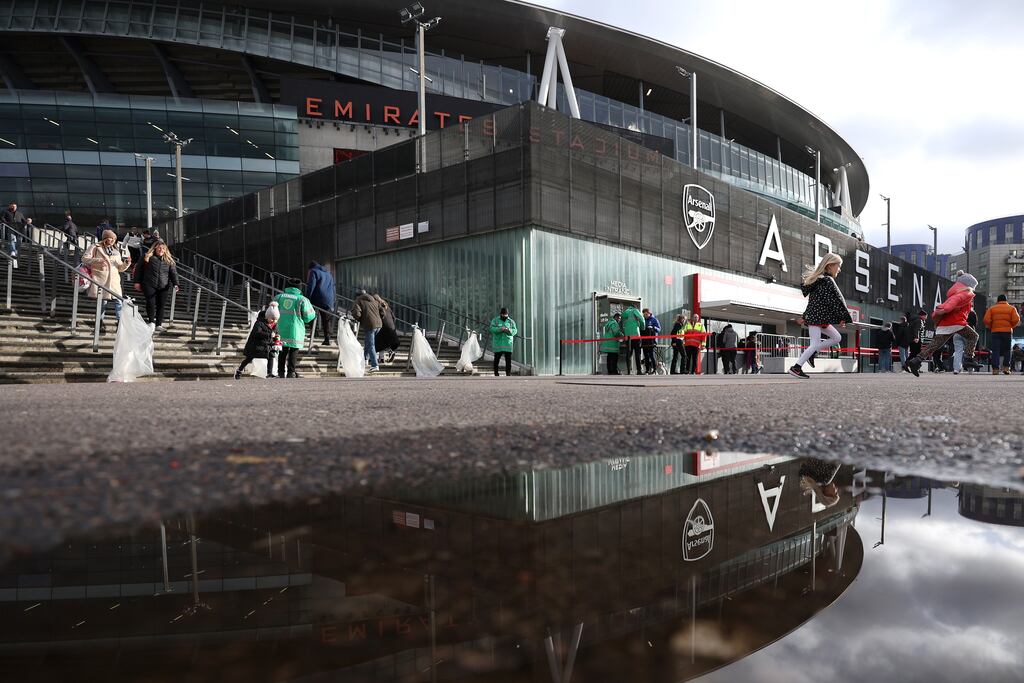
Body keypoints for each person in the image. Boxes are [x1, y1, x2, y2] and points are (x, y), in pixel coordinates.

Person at [904, 271, 983, 378]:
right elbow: (953, 303)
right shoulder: (966, 293)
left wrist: (943, 309)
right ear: (970, 285)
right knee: (973, 336)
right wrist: (946, 308)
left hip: (946, 323)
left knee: (935, 344)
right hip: (956, 322)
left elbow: (952, 302)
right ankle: (968, 358)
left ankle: (916, 361)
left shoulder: (954, 293)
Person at [789, 253, 851, 379]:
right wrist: (843, 317)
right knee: (816, 343)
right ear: (830, 266)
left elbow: (814, 302)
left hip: (818, 318)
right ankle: (796, 368)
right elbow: (837, 300)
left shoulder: (819, 280)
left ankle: (812, 352)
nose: (839, 269)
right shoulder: (827, 281)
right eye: (838, 266)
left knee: (836, 337)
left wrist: (805, 316)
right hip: (818, 319)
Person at [82, 229, 131, 330]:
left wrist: (126, 263)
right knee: (103, 302)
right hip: (101, 278)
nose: (113, 240)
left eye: (114, 238)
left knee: (119, 301)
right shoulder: (95, 247)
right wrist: (98, 261)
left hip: (114, 281)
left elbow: (120, 268)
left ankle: (119, 322)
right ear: (105, 238)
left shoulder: (116, 251)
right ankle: (99, 322)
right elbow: (84, 258)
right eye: (110, 238)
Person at [274, 278, 316, 378]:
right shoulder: (302, 299)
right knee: (293, 350)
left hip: (280, 328)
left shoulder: (278, 297)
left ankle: (280, 372)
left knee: (282, 350)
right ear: (299, 288)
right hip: (295, 329)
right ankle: (291, 372)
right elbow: (309, 316)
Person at [133, 240, 179, 330]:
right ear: (155, 248)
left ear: (165, 250)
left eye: (163, 248)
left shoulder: (169, 260)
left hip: (164, 285)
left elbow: (173, 273)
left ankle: (158, 324)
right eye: (159, 248)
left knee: (161, 305)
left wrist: (176, 284)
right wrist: (137, 282)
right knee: (151, 302)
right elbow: (139, 269)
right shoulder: (147, 257)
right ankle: (151, 322)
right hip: (149, 283)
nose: (161, 250)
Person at [234, 302, 280, 379]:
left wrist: (277, 338)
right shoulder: (259, 322)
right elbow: (257, 333)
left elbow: (275, 333)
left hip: (266, 345)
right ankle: (239, 371)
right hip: (255, 345)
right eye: (272, 318)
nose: (273, 321)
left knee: (271, 356)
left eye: (275, 319)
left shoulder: (274, 325)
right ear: (267, 316)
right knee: (249, 358)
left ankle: (269, 373)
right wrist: (269, 335)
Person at [983, 294, 1021, 375]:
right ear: (1006, 300)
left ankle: (995, 369)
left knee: (996, 350)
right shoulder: (1012, 308)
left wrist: (991, 326)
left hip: (995, 332)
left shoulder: (992, 308)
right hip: (1007, 332)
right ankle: (1006, 368)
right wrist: (1011, 326)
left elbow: (986, 320)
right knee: (1007, 350)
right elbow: (1016, 319)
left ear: (998, 300)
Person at [352, 289, 383, 372]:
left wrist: (360, 320)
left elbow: (356, 313)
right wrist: (379, 319)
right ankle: (365, 359)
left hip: (370, 325)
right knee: (368, 342)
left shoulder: (358, 300)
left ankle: (375, 365)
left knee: (371, 345)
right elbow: (382, 311)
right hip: (379, 325)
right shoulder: (373, 299)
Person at [306, 261, 336, 346]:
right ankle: (327, 338)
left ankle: (314, 332)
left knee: (310, 314)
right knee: (326, 319)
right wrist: (333, 300)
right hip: (328, 299)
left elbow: (311, 285)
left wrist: (307, 297)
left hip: (317, 298)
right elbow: (333, 287)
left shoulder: (313, 271)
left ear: (310, 268)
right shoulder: (329, 273)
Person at [489, 307, 518, 376]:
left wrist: (509, 330)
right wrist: (500, 329)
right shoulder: (495, 320)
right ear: (500, 314)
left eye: (506, 315)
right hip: (498, 344)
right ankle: (496, 373)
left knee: (508, 360)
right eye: (503, 315)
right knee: (496, 360)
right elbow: (491, 329)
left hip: (508, 344)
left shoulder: (511, 321)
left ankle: (508, 373)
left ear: (507, 314)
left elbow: (515, 331)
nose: (504, 316)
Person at [374, 294, 400, 363]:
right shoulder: (387, 306)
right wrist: (392, 325)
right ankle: (382, 358)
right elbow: (394, 317)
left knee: (380, 341)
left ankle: (386, 354)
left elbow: (379, 316)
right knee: (382, 341)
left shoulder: (377, 306)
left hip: (383, 325)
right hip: (391, 326)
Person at [620, 302, 644, 375]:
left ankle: (628, 371)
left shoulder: (625, 313)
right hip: (636, 335)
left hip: (627, 336)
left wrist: (623, 332)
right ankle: (639, 370)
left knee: (628, 354)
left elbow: (620, 323)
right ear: (635, 306)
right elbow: (642, 319)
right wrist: (642, 328)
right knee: (637, 353)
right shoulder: (635, 310)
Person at [640, 308, 661, 374]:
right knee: (645, 355)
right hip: (644, 341)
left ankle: (654, 369)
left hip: (651, 341)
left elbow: (659, 329)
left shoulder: (654, 319)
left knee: (651, 355)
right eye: (644, 314)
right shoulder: (643, 320)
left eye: (646, 314)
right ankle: (647, 370)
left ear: (649, 313)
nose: (645, 315)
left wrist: (653, 327)